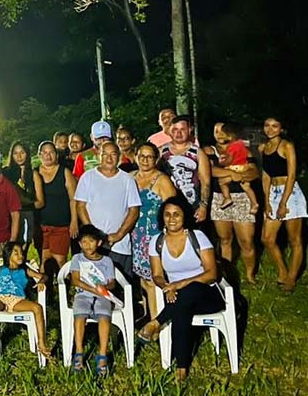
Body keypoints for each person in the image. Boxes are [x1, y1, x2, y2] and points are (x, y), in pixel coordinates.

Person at [138, 196, 221, 380]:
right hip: (176, 296)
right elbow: (157, 275)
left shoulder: (197, 237)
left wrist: (180, 284)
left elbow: (211, 274)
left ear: (185, 217)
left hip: (206, 294)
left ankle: (156, 323)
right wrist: (166, 287)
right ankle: (182, 368)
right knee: (181, 307)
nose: (171, 219)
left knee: (190, 290)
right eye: (167, 215)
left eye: (176, 214)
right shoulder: (157, 241)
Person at [0, 241, 51, 365]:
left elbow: (44, 276)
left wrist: (42, 281)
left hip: (17, 299)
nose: (20, 255)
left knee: (37, 307)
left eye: (21, 252)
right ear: (8, 255)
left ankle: (41, 343)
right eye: (16, 253)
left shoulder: (25, 270)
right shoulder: (1, 270)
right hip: (0, 297)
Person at [74, 141, 141, 280]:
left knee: (121, 287)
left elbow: (134, 210)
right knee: (94, 286)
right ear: (99, 155)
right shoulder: (87, 177)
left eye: (113, 154)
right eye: (105, 154)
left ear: (119, 156)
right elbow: (80, 206)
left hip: (120, 245)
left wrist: (119, 234)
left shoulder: (127, 179)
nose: (109, 158)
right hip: (94, 246)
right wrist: (94, 235)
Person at [205, 122, 260, 285]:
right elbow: (210, 170)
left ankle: (250, 276)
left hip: (242, 198)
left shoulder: (243, 150)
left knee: (246, 241)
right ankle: (227, 275)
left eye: (223, 131)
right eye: (216, 131)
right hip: (219, 198)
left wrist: (236, 177)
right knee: (225, 239)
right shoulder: (209, 151)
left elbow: (253, 172)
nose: (219, 134)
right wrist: (233, 173)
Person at [259, 117, 308, 292]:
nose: (270, 129)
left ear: (281, 129)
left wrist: (283, 203)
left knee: (294, 239)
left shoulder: (287, 146)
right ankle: (282, 271)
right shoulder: (263, 148)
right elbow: (265, 176)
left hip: (290, 193)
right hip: (273, 192)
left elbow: (292, 174)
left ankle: (291, 278)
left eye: (275, 126)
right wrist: (266, 202)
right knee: (267, 238)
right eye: (267, 125)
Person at [130, 142, 178, 322]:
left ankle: (158, 323)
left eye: (149, 156)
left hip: (153, 236)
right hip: (135, 235)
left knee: (153, 280)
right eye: (142, 156)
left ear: (156, 159)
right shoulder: (130, 177)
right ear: (136, 157)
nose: (145, 160)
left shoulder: (161, 180)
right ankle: (148, 314)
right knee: (142, 280)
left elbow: (173, 207)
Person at [69, 225, 118, 375]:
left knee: (104, 318)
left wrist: (104, 288)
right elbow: (75, 280)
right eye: (84, 242)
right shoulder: (77, 258)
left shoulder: (107, 261)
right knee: (79, 317)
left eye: (91, 241)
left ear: (98, 243)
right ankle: (79, 353)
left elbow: (112, 282)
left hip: (102, 295)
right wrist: (92, 289)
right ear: (79, 244)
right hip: (83, 294)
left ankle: (102, 355)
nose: (87, 245)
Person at [158, 115, 211, 223]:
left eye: (182, 129)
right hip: (166, 206)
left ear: (190, 129)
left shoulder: (198, 153)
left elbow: (206, 182)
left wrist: (203, 206)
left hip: (192, 207)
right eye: (175, 129)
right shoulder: (161, 151)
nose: (178, 133)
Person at [36, 141, 79, 270]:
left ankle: (63, 287)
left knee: (60, 260)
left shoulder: (65, 172)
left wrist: (74, 221)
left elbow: (73, 199)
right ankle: (45, 289)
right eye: (45, 153)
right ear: (39, 155)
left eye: (51, 152)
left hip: (61, 225)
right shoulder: (35, 173)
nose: (48, 156)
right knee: (44, 260)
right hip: (42, 225)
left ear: (56, 155)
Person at [2, 140, 44, 256]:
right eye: (15, 153)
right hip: (8, 216)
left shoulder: (33, 174)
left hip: (26, 216)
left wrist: (23, 204)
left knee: (21, 251)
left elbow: (40, 202)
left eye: (22, 152)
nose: (19, 156)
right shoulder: (6, 173)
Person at [215, 123, 259, 214]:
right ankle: (254, 203)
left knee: (221, 181)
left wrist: (222, 163)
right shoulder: (241, 144)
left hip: (235, 168)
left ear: (230, 136)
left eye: (224, 134)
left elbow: (229, 160)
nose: (221, 136)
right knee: (246, 187)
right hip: (244, 166)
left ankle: (227, 198)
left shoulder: (232, 147)